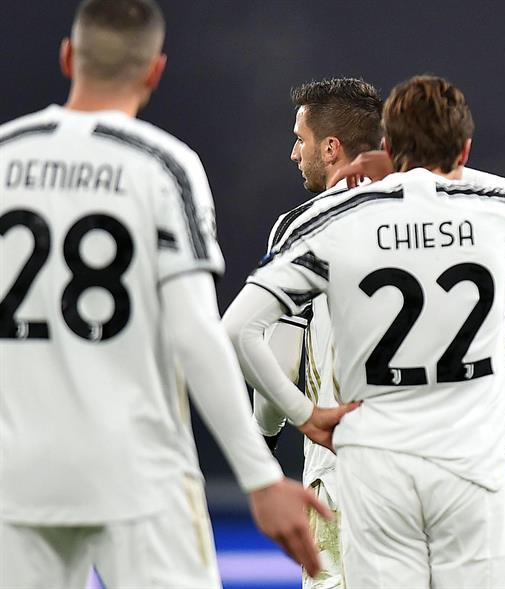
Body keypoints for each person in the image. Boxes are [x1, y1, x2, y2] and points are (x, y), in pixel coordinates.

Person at [0, 1, 333, 586]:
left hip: (17, 473)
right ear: (154, 71)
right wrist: (259, 474)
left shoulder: (4, 155)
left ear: (68, 56)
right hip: (136, 469)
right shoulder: (161, 166)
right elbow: (195, 332)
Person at [224, 75, 505, 588]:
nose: (292, 154)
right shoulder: (499, 208)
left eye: (299, 140)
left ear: (388, 144)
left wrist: (293, 420)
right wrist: (411, 171)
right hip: (471, 465)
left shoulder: (319, 224)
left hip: (361, 467)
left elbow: (250, 332)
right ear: (462, 149)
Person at [252, 77, 383, 589]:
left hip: (342, 470)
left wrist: (264, 436)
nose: (293, 153)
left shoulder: (302, 228)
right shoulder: (427, 215)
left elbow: (280, 345)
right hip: (427, 464)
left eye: (300, 139)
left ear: (331, 148)